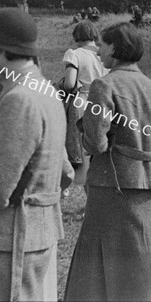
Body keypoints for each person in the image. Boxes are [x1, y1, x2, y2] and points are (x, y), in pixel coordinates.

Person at [0, 8, 74, 302]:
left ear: (0, 51)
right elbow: (66, 173)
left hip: (7, 239)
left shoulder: (19, 99)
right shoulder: (45, 91)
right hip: (34, 232)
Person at [64, 22, 151, 302]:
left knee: (99, 272)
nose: (98, 50)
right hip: (149, 186)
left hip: (112, 185)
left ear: (116, 47)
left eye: (103, 44)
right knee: (144, 266)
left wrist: (84, 129)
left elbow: (96, 143)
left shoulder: (104, 84)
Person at [59, 20, 107, 181]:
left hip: (83, 100)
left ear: (77, 36)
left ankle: (82, 178)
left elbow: (70, 83)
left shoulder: (75, 54)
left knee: (81, 144)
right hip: (105, 102)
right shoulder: (104, 53)